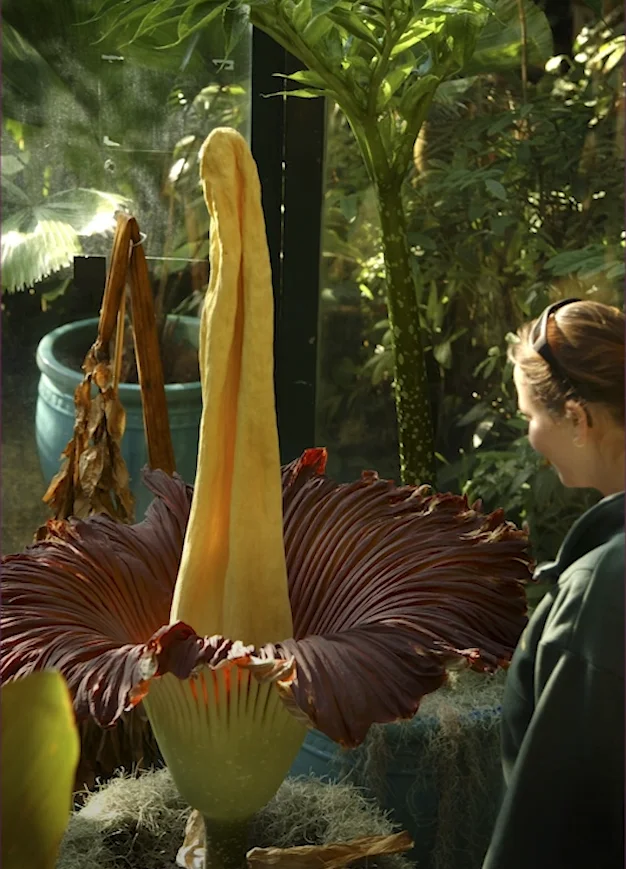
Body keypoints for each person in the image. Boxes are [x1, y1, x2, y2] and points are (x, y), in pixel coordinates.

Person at [482, 297, 625, 869]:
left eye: (529, 419)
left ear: (578, 418)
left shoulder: (603, 591)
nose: (531, 439)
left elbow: (552, 822)